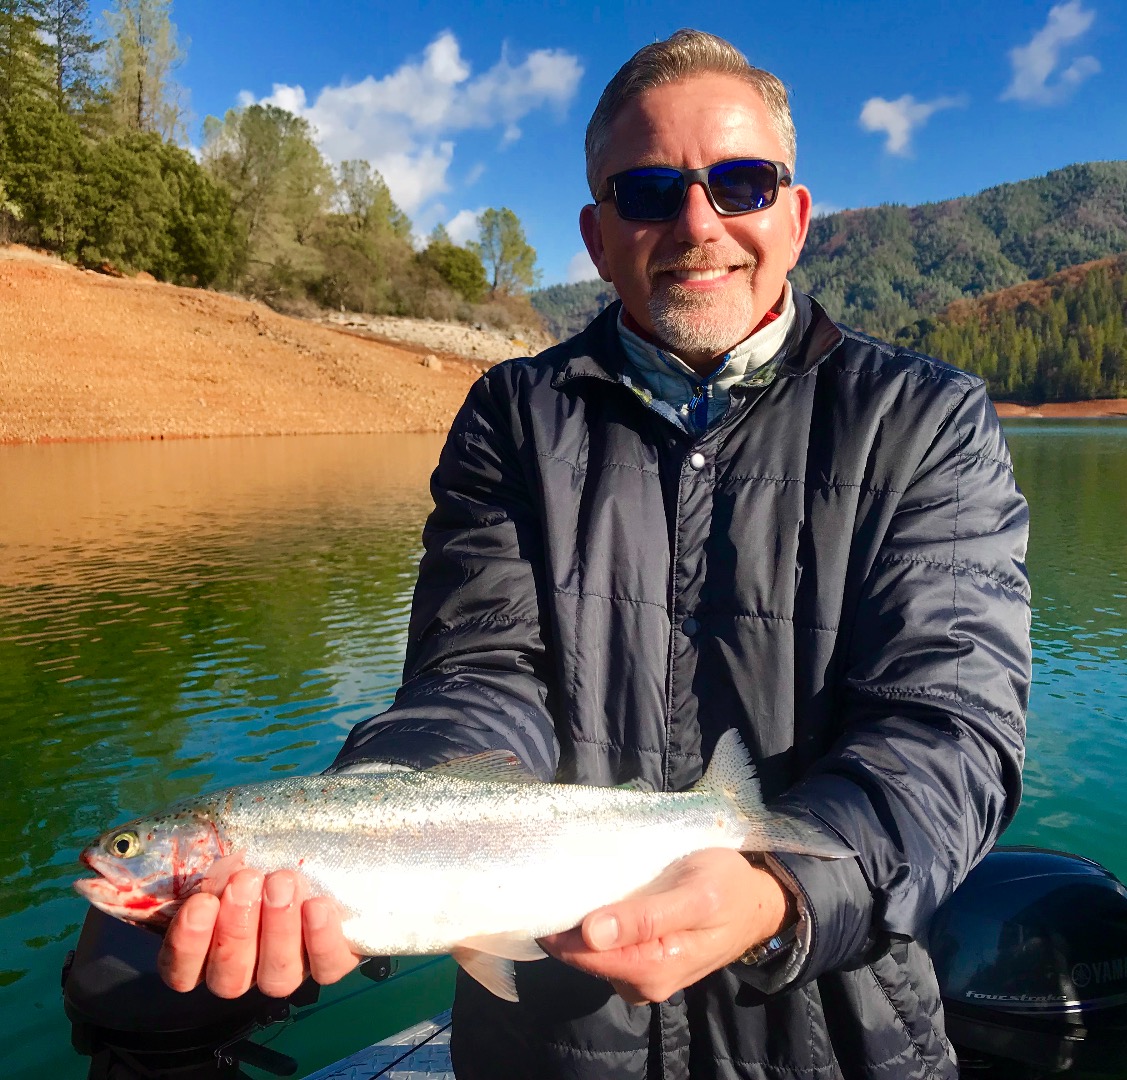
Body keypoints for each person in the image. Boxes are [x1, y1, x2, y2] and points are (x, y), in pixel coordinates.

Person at [157, 29, 1031, 1079]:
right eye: (649, 190)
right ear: (596, 234)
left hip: (848, 1041)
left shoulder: (927, 421)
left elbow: (950, 731)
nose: (697, 223)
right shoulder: (512, 417)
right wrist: (383, 823)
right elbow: (475, 677)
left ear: (794, 220)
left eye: (739, 183)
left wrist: (778, 892)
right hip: (550, 1047)